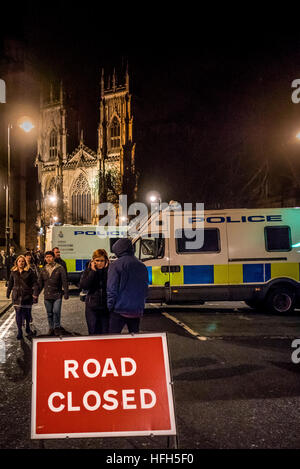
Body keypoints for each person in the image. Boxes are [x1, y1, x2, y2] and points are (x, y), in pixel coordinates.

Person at [107, 238, 149, 334]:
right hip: (136, 310)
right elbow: (145, 288)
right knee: (134, 337)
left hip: (119, 309)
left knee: (113, 339)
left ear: (118, 250)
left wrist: (110, 306)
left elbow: (111, 289)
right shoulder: (141, 265)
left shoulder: (115, 265)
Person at [6, 255, 39, 340]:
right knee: (18, 313)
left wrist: (35, 293)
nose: (21, 263)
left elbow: (35, 283)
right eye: (19, 261)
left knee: (27, 313)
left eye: (23, 261)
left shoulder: (30, 271)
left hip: (27, 296)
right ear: (16, 262)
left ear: (25, 262)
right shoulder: (13, 272)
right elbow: (10, 283)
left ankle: (27, 325)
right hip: (16, 296)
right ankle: (19, 331)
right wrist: (8, 292)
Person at [39, 250, 69, 336]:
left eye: (50, 257)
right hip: (47, 295)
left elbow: (64, 281)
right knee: (49, 313)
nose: (48, 259)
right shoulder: (43, 269)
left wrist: (66, 293)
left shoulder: (60, 268)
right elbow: (40, 283)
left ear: (53, 258)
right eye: (47, 257)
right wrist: (35, 294)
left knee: (56, 311)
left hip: (57, 294)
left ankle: (57, 327)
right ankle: (51, 328)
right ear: (45, 258)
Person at [79, 249, 109, 335]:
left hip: (105, 307)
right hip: (92, 307)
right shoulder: (88, 270)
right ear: (93, 261)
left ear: (106, 261)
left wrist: (106, 270)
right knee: (93, 333)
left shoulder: (109, 271)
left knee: (105, 333)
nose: (99, 263)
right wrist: (93, 272)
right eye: (97, 260)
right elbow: (84, 286)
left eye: (102, 261)